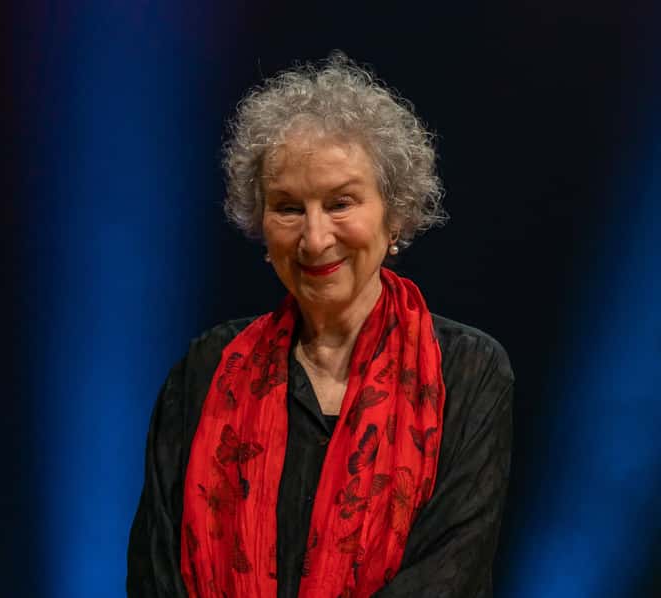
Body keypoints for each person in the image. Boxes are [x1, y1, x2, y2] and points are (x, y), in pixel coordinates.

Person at [127, 53, 513, 598]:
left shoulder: (469, 370)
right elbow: (154, 573)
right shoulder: (205, 368)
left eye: (341, 203)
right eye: (287, 208)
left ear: (395, 213)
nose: (313, 238)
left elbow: (449, 575)